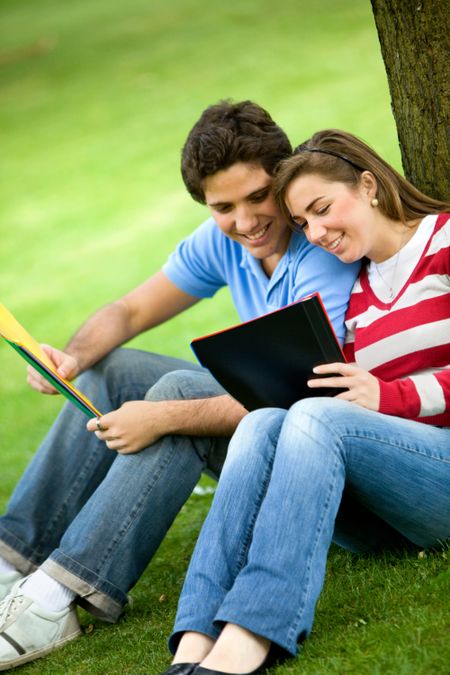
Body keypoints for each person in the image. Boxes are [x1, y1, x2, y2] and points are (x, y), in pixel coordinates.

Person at [0, 105, 359, 670]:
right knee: (108, 369)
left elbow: (299, 402)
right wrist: (73, 356)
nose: (245, 221)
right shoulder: (224, 241)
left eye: (259, 197)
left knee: (173, 397)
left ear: (284, 177)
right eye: (223, 207)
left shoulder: (322, 253)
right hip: (265, 418)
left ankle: (57, 597)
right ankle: (11, 561)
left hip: (310, 454)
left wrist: (163, 417)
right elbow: (131, 308)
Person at [164, 129, 450, 675]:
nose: (316, 233)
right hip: (393, 508)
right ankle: (196, 638)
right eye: (303, 224)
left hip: (441, 475)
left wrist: (391, 396)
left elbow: (380, 403)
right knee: (264, 420)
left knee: (317, 416)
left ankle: (253, 631)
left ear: (368, 185)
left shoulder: (445, 240)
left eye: (322, 210)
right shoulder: (360, 288)